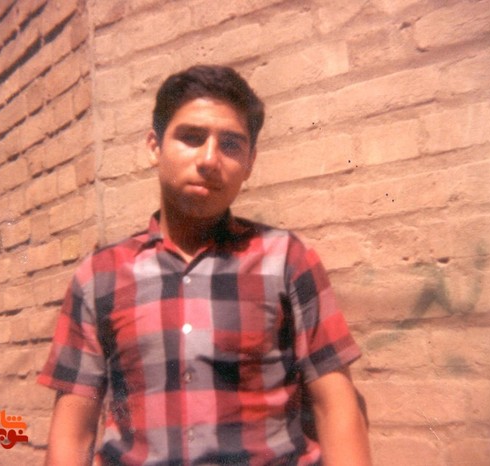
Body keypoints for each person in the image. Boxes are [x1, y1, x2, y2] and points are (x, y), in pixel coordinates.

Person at [38, 65, 371, 466]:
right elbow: (73, 431)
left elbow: (335, 407)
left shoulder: (286, 260)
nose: (210, 159)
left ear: (250, 162)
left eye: (230, 145)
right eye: (192, 138)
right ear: (154, 147)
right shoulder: (100, 275)